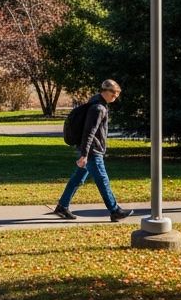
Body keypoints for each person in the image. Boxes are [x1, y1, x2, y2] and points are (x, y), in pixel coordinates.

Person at [53, 79, 133, 222]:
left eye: (117, 94)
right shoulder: (98, 108)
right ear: (105, 91)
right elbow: (89, 132)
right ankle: (114, 210)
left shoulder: (96, 102)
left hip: (90, 149)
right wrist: (84, 154)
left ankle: (62, 206)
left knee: (78, 178)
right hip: (92, 151)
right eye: (114, 93)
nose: (116, 96)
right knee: (103, 179)